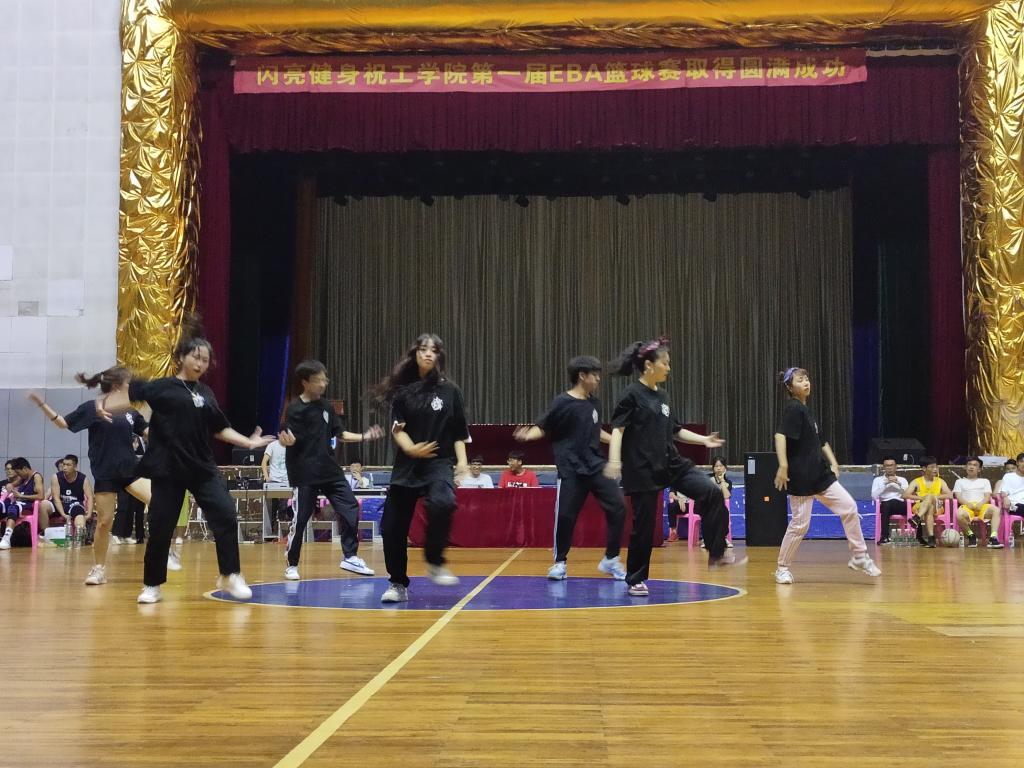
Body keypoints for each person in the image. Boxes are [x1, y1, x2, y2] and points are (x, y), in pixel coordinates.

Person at [98, 315, 273, 604]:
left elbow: (219, 428)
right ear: (181, 357)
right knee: (161, 527)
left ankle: (230, 574)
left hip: (201, 468)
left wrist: (249, 442)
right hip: (168, 469)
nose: (201, 364)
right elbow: (130, 396)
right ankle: (152, 585)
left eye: (205, 360)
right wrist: (103, 406)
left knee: (226, 515)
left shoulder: (206, 393)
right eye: (196, 357)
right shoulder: (163, 387)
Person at [607, 338, 742, 598]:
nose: (669, 368)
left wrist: (704, 440)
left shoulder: (664, 396)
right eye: (665, 363)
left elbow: (676, 430)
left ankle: (716, 552)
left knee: (712, 492)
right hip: (643, 468)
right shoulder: (631, 394)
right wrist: (614, 461)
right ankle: (635, 578)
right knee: (644, 527)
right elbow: (618, 430)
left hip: (671, 463)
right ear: (649, 365)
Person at [30, 371, 159, 583]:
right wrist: (42, 404)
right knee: (104, 523)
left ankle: (164, 551)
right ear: (116, 384)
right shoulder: (92, 408)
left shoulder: (129, 410)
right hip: (106, 472)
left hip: (130, 471)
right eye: (128, 382)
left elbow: (147, 432)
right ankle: (98, 568)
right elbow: (63, 423)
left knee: (160, 502)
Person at [514, 355, 627, 582]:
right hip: (571, 469)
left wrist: (619, 441)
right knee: (565, 516)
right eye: (594, 375)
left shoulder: (595, 403)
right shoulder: (562, 402)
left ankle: (611, 559)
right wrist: (528, 435)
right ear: (582, 376)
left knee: (619, 506)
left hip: (596, 465)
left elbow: (596, 431)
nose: (598, 379)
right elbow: (544, 426)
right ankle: (560, 563)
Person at [374, 333, 469, 603]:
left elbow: (459, 432)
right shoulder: (402, 391)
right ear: (415, 353)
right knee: (391, 527)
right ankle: (397, 583)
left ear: (439, 356)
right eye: (424, 349)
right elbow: (398, 429)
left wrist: (462, 462)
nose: (428, 353)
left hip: (438, 462)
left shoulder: (450, 391)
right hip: (408, 465)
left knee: (443, 502)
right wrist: (411, 448)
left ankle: (434, 561)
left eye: (434, 350)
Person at [276, 360, 383, 581]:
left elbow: (340, 434)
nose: (323, 384)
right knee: (301, 519)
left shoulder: (326, 406)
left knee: (350, 506)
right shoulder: (295, 409)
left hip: (329, 470)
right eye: (318, 380)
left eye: (325, 379)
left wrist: (365, 436)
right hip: (304, 473)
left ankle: (350, 556)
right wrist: (287, 441)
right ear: (305, 382)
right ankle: (292, 564)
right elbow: (287, 437)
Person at [773, 367, 881, 584]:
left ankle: (859, 556)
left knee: (849, 507)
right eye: (800, 380)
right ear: (790, 388)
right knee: (800, 525)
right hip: (802, 477)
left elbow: (821, 441)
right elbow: (780, 435)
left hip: (820, 475)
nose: (806, 382)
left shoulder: (807, 411)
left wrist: (833, 462)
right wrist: (783, 465)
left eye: (807, 378)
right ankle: (782, 568)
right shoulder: (793, 408)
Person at [0, 457, 56, 544]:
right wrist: (10, 485)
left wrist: (21, 496)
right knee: (1, 505)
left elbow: (41, 496)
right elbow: (11, 485)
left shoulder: (36, 477)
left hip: (28, 505)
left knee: (13, 507)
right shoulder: (23, 477)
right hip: (18, 502)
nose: (19, 475)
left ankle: (6, 538)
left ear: (25, 469)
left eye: (19, 473)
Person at [953, 456, 1002, 548]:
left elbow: (987, 496)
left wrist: (980, 504)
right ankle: (971, 535)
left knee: (996, 510)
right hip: (967, 506)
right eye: (969, 464)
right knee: (959, 514)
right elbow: (958, 497)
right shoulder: (959, 481)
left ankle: (993, 537)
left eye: (975, 465)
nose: (971, 467)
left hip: (982, 505)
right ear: (965, 467)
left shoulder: (985, 481)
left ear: (979, 469)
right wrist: (969, 504)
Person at [904, 457, 952, 548]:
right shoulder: (916, 481)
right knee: (929, 507)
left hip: (937, 507)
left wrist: (933, 497)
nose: (935, 469)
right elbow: (905, 495)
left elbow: (950, 495)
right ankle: (931, 538)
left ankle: (917, 518)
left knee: (930, 497)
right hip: (919, 506)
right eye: (932, 467)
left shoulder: (940, 481)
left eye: (936, 467)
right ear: (924, 468)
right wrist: (921, 497)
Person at [50, 455, 94, 545]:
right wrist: (63, 514)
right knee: (43, 505)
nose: (64, 467)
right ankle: (45, 534)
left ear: (75, 466)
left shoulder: (83, 478)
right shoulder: (56, 477)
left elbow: (90, 497)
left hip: (75, 504)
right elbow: (56, 497)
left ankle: (80, 539)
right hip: (59, 503)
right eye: (64, 464)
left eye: (68, 465)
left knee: (80, 515)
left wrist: (89, 514)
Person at [871, 456, 909, 545]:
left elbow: (907, 495)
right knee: (886, 504)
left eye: (891, 465)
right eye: (887, 466)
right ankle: (884, 537)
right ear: (884, 467)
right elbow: (874, 496)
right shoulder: (878, 480)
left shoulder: (902, 480)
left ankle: (917, 537)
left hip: (900, 505)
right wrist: (885, 484)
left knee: (914, 507)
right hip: (885, 506)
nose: (889, 468)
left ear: (896, 467)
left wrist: (898, 484)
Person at [260, 431, 291, 535]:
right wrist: (266, 477)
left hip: (286, 480)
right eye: (283, 435)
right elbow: (264, 462)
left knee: (283, 506)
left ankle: (281, 530)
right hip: (274, 480)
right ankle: (272, 530)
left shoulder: (290, 446)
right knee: (273, 506)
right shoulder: (272, 446)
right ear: (278, 434)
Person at [999, 454, 1024, 535]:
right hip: (1014, 505)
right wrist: (1005, 498)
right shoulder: (1008, 476)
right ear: (1017, 463)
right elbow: (1003, 492)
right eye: (1022, 461)